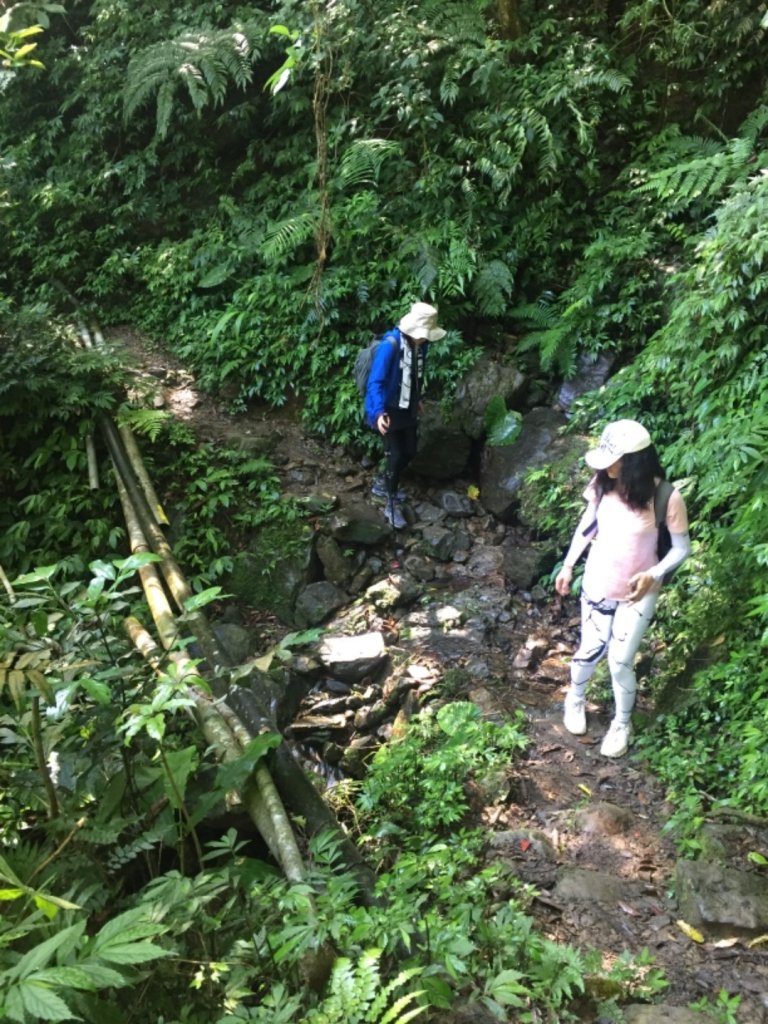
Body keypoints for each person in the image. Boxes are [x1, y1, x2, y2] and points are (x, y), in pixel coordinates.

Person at [554, 419, 691, 758]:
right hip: (598, 584)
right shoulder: (602, 484)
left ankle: (622, 723)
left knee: (620, 661)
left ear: (636, 462)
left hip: (640, 592)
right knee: (590, 649)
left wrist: (654, 572)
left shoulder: (666, 497)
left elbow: (681, 548)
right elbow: (587, 525)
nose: (609, 466)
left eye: (616, 460)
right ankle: (576, 698)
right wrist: (569, 564)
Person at [363, 301, 446, 529]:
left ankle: (384, 483)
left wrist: (417, 400)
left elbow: (415, 375)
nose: (427, 338)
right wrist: (378, 412)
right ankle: (388, 500)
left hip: (406, 407)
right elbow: (375, 381)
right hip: (387, 409)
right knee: (396, 454)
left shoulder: (421, 345)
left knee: (410, 451)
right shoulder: (390, 345)